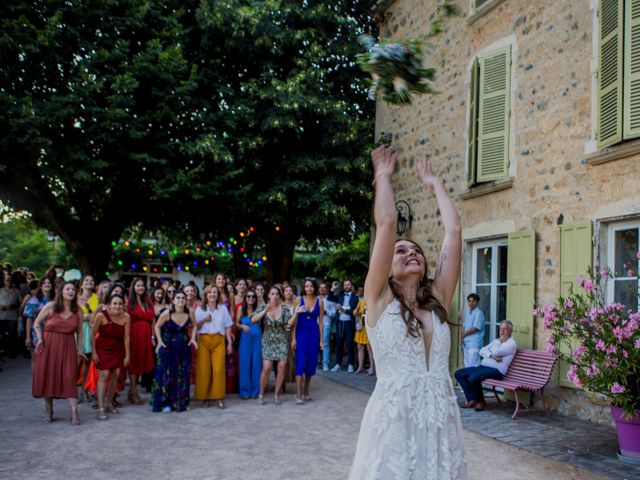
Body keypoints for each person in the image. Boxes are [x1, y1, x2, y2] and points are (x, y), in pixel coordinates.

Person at [349, 146, 467, 479]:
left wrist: (435, 184)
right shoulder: (379, 298)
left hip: (440, 419)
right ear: (386, 267)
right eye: (401, 251)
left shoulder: (439, 298)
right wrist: (383, 176)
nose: (411, 253)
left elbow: (454, 233)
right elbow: (387, 223)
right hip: (394, 424)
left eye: (416, 250)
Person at [31, 282, 86, 426]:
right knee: (49, 377)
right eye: (68, 289)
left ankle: (74, 413)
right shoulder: (50, 306)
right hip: (48, 346)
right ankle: (49, 411)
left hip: (68, 346)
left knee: (69, 377)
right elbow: (36, 323)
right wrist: (40, 339)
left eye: (73, 289)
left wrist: (80, 349)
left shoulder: (78, 310)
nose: (71, 291)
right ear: (61, 291)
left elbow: (80, 331)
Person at [455, 320, 517, 412]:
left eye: (505, 329)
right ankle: (472, 399)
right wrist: (491, 355)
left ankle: (481, 401)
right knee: (459, 373)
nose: (502, 331)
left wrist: (495, 347)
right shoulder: (497, 341)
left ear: (510, 331)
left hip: (497, 371)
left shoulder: (511, 344)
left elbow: (497, 352)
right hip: (483, 367)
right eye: (501, 329)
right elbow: (482, 350)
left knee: (473, 378)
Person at [151, 291, 197, 412]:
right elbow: (157, 326)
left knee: (182, 374)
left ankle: (179, 402)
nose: (181, 299)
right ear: (173, 301)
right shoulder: (167, 313)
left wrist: (193, 338)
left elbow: (195, 325)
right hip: (168, 347)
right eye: (178, 297)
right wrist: (159, 341)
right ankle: (166, 403)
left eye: (183, 297)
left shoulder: (190, 313)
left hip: (183, 347)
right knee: (167, 374)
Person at [252, 285, 295, 405]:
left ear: (279, 296)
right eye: (272, 294)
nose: (275, 296)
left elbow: (289, 325)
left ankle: (276, 395)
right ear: (268, 295)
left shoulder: (285, 309)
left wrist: (295, 314)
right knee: (267, 368)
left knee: (281, 368)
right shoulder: (262, 307)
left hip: (282, 340)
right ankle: (261, 394)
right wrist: (266, 310)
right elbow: (253, 320)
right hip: (268, 340)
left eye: (277, 294)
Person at [91, 294, 130, 420]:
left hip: (117, 349)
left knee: (115, 376)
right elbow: (92, 335)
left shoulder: (126, 317)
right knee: (104, 375)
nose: (117, 306)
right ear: (109, 305)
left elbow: (126, 337)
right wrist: (93, 352)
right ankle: (101, 408)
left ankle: (109, 404)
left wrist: (127, 355)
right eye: (114, 303)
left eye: (120, 303)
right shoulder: (101, 315)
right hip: (102, 348)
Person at [194, 285, 233, 408]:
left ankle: (219, 397)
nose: (212, 294)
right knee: (204, 369)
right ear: (206, 295)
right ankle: (204, 397)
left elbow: (227, 326)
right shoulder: (199, 309)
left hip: (219, 339)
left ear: (218, 294)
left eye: (214, 292)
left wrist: (230, 343)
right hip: (204, 339)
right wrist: (204, 319)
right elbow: (196, 327)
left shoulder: (223, 309)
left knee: (218, 369)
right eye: (209, 292)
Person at [292, 279, 323, 404]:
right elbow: (294, 320)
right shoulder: (298, 300)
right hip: (300, 334)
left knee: (311, 363)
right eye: (306, 286)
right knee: (300, 363)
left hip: (313, 335)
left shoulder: (320, 302)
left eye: (310, 286)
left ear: (314, 287)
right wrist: (293, 338)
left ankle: (306, 391)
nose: (308, 288)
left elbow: (321, 322)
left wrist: (321, 340)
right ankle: (298, 395)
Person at [127, 277, 155, 405]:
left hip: (146, 334)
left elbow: (153, 320)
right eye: (138, 285)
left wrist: (153, 336)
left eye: (142, 286)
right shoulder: (129, 302)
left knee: (141, 363)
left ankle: (131, 391)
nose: (140, 288)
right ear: (133, 287)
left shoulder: (148, 301)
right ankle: (134, 392)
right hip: (134, 334)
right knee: (134, 363)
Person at [236, 289, 262, 399]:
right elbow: (236, 324)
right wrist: (242, 326)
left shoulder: (259, 309)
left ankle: (256, 391)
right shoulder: (241, 309)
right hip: (245, 340)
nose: (250, 299)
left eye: (253, 297)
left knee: (257, 365)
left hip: (257, 340)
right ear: (245, 298)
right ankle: (245, 391)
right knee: (244, 365)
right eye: (248, 296)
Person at [331, 279, 359, 373]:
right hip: (340, 322)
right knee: (339, 344)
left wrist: (344, 310)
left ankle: (350, 364)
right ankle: (338, 364)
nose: (347, 286)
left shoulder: (355, 297)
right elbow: (330, 298)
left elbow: (355, 312)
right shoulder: (340, 295)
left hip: (349, 323)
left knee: (350, 344)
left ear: (351, 286)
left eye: (348, 284)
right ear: (343, 286)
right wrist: (332, 288)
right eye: (345, 285)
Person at [77, 275, 98, 401]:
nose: (89, 282)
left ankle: (84, 390)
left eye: (92, 280)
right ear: (82, 284)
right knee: (76, 362)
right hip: (79, 330)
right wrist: (87, 316)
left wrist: (87, 315)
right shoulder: (76, 298)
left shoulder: (97, 298)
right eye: (87, 280)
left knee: (87, 362)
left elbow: (97, 315)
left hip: (92, 331)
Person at [24, 278, 54, 363]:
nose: (47, 284)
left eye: (49, 282)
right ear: (40, 286)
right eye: (44, 283)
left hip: (52, 333)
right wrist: (28, 337)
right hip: (36, 334)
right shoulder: (34, 300)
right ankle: (36, 376)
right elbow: (29, 319)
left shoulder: (56, 300)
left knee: (49, 359)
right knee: (35, 359)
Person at [353, 287, 375, 376]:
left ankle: (372, 367)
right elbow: (354, 313)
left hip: (368, 327)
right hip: (361, 327)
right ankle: (360, 366)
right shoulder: (361, 302)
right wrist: (357, 310)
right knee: (360, 347)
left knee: (369, 348)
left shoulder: (372, 302)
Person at [0, 274, 22, 358]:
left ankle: (11, 351)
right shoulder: (0, 291)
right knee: (1, 334)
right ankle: (3, 350)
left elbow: (20, 303)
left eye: (10, 280)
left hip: (12, 316)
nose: (9, 282)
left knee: (12, 334)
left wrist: (14, 305)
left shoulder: (17, 291)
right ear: (4, 281)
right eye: (7, 280)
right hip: (1, 316)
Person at [461, 293, 485, 367]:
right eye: (469, 301)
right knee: (467, 366)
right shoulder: (469, 312)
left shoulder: (478, 313)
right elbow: (466, 326)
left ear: (477, 302)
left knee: (473, 366)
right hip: (467, 343)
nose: (471, 303)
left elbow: (475, 328)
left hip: (474, 344)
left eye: (473, 301)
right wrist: (463, 336)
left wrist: (463, 335)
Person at [318, 282, 336, 372]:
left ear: (327, 289)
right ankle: (316, 361)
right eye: (321, 287)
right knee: (314, 343)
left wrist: (326, 311)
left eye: (324, 288)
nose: (322, 289)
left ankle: (325, 363)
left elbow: (334, 314)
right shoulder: (315, 299)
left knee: (325, 343)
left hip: (326, 324)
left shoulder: (330, 300)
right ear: (318, 289)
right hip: (315, 324)